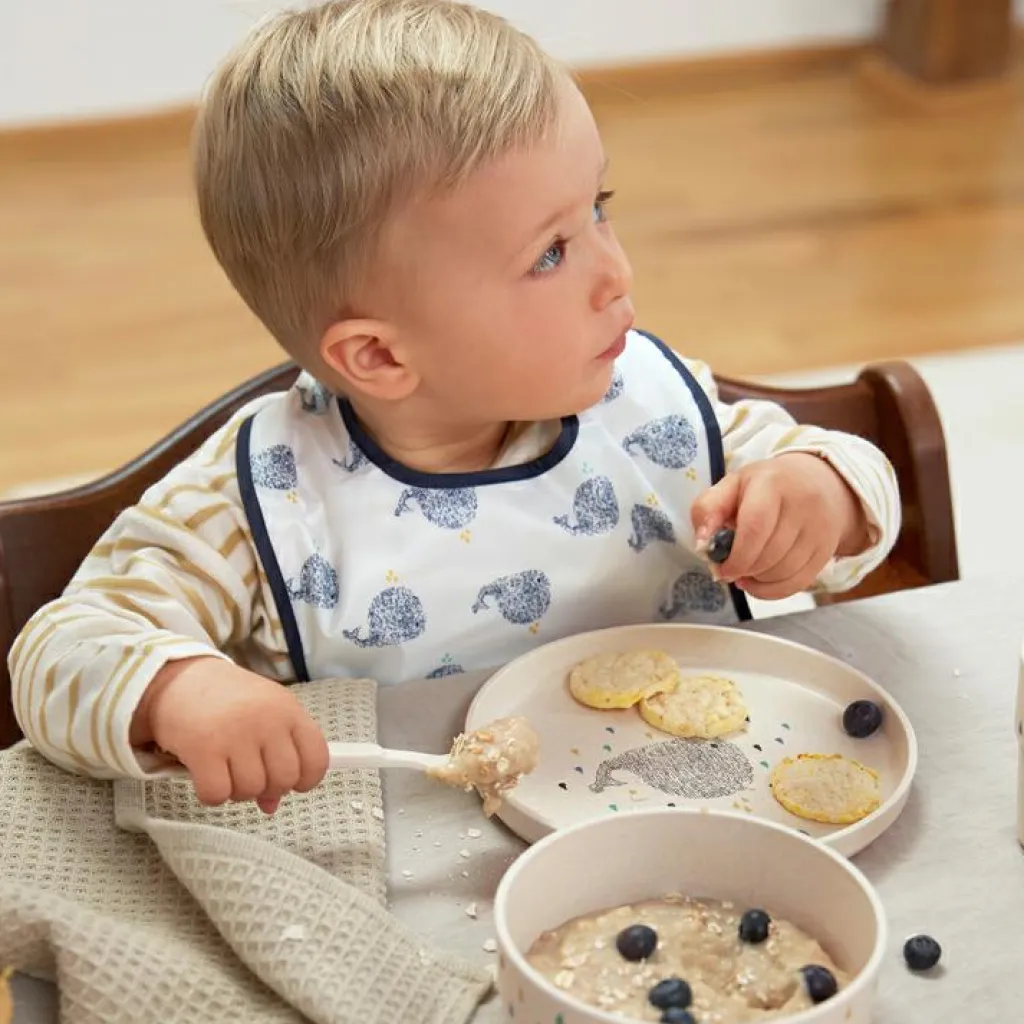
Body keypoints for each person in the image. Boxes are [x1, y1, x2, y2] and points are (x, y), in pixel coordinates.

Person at [9, 0, 899, 815]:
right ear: (382, 356)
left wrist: (823, 497)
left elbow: (852, 482)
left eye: (599, 208)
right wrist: (180, 690)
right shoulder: (258, 509)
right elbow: (58, 652)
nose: (615, 271)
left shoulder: (654, 413)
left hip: (705, 820)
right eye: (551, 253)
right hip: (426, 886)